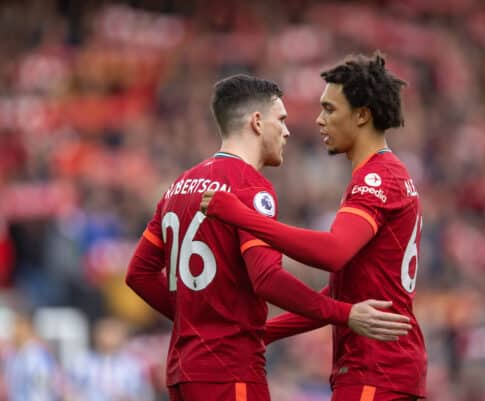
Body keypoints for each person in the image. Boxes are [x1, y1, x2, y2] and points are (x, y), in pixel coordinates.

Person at [125, 74, 412, 401]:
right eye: (282, 120)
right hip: (231, 371)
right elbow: (267, 279)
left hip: (182, 370)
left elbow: (139, 274)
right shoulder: (250, 186)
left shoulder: (179, 187)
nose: (287, 131)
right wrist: (343, 314)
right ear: (257, 122)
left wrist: (196, 319)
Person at [200, 53, 427, 401]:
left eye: (330, 109)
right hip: (382, 369)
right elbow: (342, 294)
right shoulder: (385, 174)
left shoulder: (377, 177)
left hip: (375, 370)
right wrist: (264, 332)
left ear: (363, 115)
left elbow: (332, 253)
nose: (319, 120)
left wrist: (241, 216)